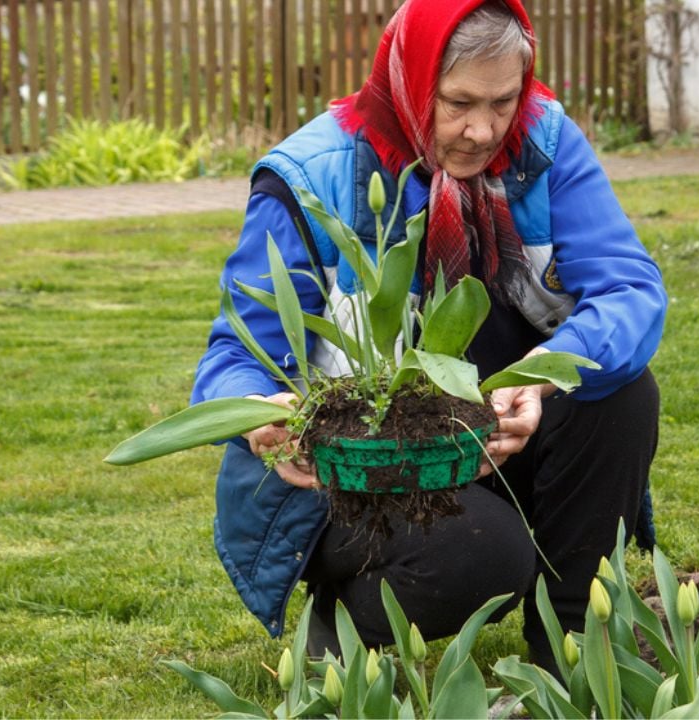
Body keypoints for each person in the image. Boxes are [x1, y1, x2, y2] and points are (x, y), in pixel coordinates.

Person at [190, 0, 666, 664]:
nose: (482, 129)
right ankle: (342, 622)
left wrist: (544, 372)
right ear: (413, 79)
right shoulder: (311, 176)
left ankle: (573, 649)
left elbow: (630, 290)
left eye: (503, 101)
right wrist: (261, 413)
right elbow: (235, 353)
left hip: (487, 434)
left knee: (621, 393)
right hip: (356, 470)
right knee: (485, 554)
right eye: (458, 102)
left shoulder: (543, 145)